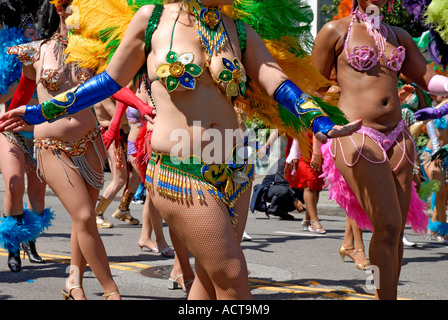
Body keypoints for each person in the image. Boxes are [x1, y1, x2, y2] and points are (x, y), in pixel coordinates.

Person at [0, 0, 362, 299]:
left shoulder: (236, 29)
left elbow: (273, 77)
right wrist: (41, 110)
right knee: (234, 277)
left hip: (235, 171)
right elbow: (109, 81)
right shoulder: (152, 20)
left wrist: (318, 120)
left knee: (207, 281)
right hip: (180, 172)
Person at [313, 0, 448, 299]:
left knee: (395, 232)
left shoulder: (398, 36)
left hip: (399, 137)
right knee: (386, 226)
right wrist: (312, 140)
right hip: (355, 134)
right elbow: (312, 89)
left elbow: (427, 78)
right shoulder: (335, 31)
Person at [0, 0, 53, 273]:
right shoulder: (8, 64)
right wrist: (15, 74)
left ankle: (30, 242)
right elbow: (4, 98)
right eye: (28, 34)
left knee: (37, 194)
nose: (33, 38)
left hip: (40, 135)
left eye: (36, 34)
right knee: (13, 185)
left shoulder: (48, 61)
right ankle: (12, 247)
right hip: (11, 133)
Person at [93, 96, 141, 228]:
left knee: (138, 173)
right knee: (119, 178)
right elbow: (117, 118)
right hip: (112, 136)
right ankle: (97, 214)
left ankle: (123, 210)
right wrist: (138, 110)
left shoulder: (117, 91)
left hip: (125, 136)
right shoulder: (103, 92)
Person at [420, 95, 448, 243]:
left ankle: (433, 228)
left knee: (443, 194)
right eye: (441, 92)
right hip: (431, 155)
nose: (444, 94)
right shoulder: (432, 111)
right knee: (440, 190)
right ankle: (445, 231)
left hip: (446, 155)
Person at [285, 136, 326, 233]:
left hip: (319, 151)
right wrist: (294, 155)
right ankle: (315, 221)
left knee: (316, 187)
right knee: (309, 184)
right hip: (303, 152)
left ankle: (307, 220)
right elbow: (296, 132)